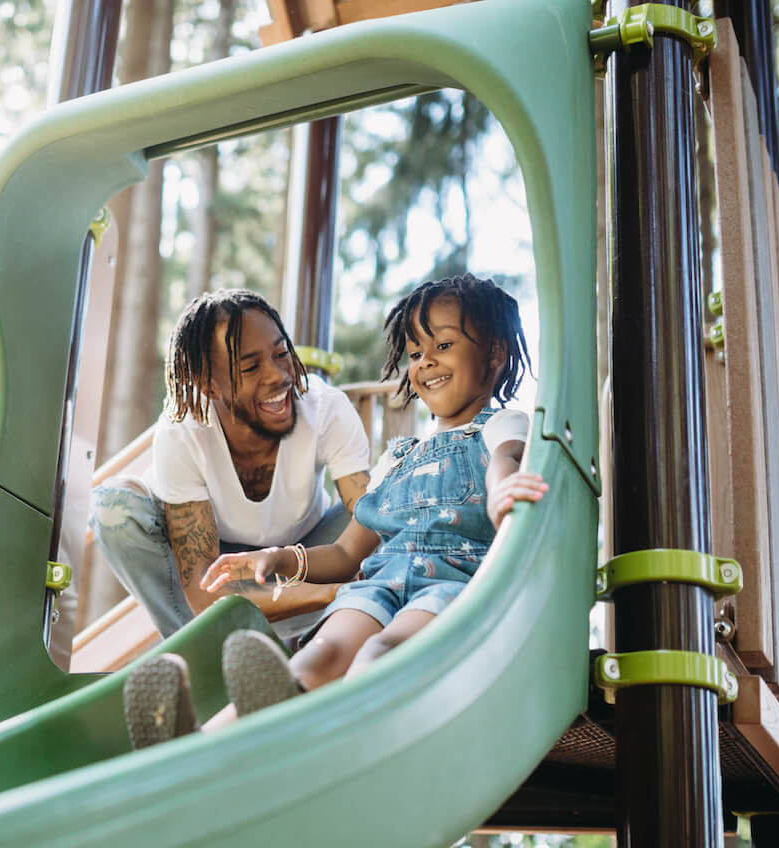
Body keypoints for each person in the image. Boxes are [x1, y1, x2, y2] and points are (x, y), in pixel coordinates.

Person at [122, 274, 548, 747]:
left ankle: (343, 743)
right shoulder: (398, 457)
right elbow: (348, 552)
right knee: (317, 657)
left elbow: (505, 461)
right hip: (379, 584)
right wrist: (282, 559)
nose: (426, 363)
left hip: (449, 585)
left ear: (494, 353)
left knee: (382, 650)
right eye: (415, 354)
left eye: (443, 345)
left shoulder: (499, 424)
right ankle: (190, 744)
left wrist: (502, 494)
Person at [89, 289, 373, 647]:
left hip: (305, 558)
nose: (278, 376)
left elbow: (369, 525)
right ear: (208, 384)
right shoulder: (182, 435)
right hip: (220, 576)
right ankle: (211, 657)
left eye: (281, 354)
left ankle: (295, 647)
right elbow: (206, 595)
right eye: (251, 367)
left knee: (380, 507)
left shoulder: (326, 408)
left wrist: (328, 581)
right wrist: (331, 594)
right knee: (113, 510)